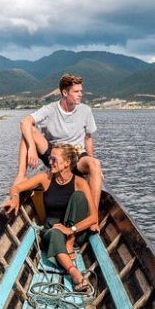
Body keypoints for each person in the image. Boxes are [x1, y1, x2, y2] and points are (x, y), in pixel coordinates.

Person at [1, 143, 98, 291]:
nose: (50, 162)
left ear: (67, 162)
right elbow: (16, 187)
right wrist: (15, 198)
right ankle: (75, 274)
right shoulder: (45, 178)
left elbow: (93, 217)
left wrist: (70, 229)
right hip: (51, 230)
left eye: (54, 159)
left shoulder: (80, 182)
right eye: (49, 158)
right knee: (55, 234)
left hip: (74, 232)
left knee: (79, 197)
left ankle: (69, 244)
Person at [12, 74, 103, 210]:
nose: (80, 95)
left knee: (95, 164)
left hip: (76, 155)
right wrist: (31, 147)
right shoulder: (50, 109)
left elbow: (88, 138)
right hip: (53, 153)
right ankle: (21, 175)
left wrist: (93, 168)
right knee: (29, 130)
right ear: (65, 93)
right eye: (76, 91)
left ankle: (93, 215)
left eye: (81, 91)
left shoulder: (86, 110)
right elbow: (24, 121)